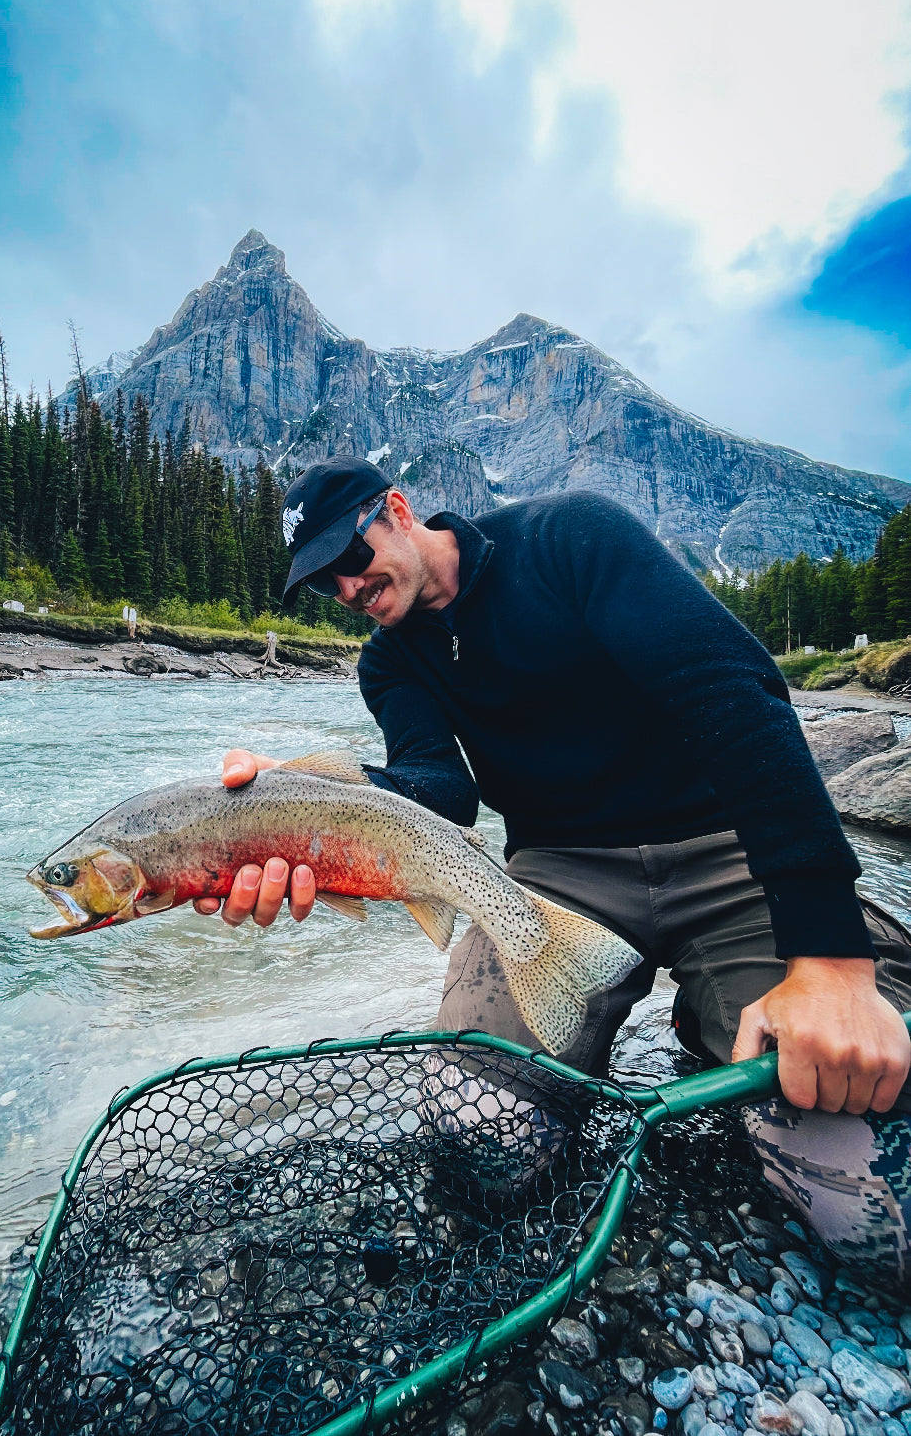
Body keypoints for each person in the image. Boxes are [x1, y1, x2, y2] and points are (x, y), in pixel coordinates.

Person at [195, 456, 911, 1281]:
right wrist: (311, 803)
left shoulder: (571, 537)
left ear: (397, 509)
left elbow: (732, 688)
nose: (348, 590)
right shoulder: (389, 663)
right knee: (480, 1144)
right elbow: (439, 791)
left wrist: (830, 955)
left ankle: (728, 1000)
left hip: (731, 854)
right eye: (324, 584)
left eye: (349, 558)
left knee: (879, 1216)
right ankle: (698, 1023)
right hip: (558, 877)